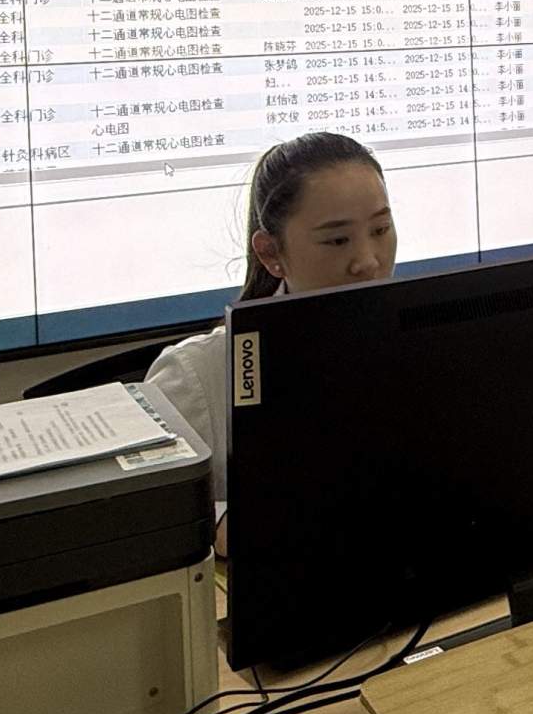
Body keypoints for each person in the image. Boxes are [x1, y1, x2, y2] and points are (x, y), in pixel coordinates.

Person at [142, 131, 394, 508]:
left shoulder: (434, 346)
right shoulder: (198, 377)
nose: (368, 261)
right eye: (338, 240)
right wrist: (216, 521)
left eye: (380, 230)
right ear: (271, 252)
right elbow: (148, 516)